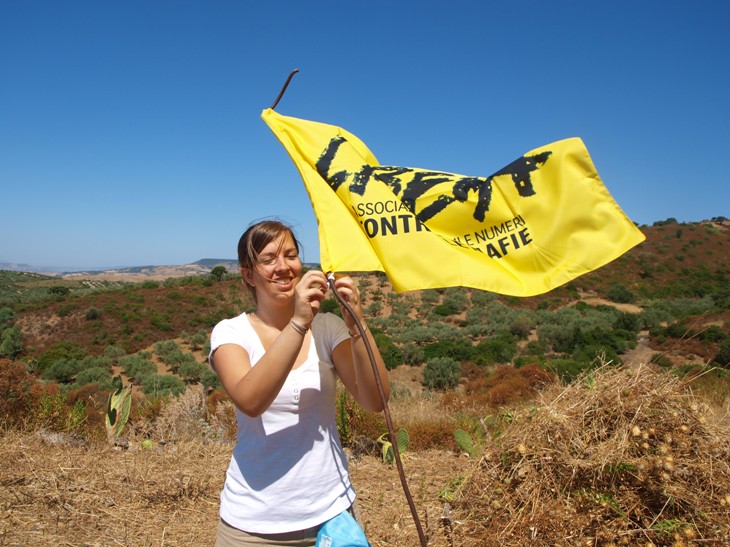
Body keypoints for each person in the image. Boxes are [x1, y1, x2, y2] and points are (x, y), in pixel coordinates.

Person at [209, 219, 390, 546]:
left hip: (332, 514)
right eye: (268, 259)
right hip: (253, 525)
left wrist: (358, 325)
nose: (283, 267)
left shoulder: (329, 328)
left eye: (291, 255)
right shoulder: (231, 333)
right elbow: (250, 401)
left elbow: (375, 400)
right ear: (248, 275)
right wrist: (298, 322)